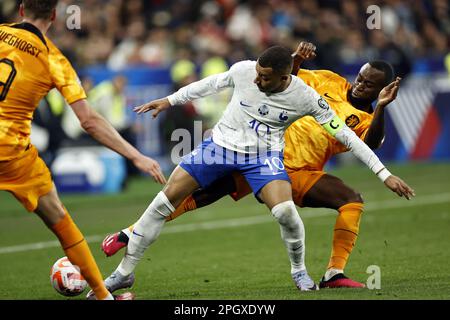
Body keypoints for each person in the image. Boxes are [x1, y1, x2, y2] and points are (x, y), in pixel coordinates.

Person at [96, 45, 414, 297]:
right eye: (258, 74)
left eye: (265, 78)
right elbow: (213, 83)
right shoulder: (258, 72)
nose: (257, 81)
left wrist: (384, 174)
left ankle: (303, 272)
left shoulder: (309, 98)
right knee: (181, 197)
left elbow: (352, 138)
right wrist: (170, 100)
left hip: (268, 159)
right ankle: (126, 260)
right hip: (221, 147)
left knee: (290, 213)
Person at [0, 0, 166, 300]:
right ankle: (103, 296)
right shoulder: (54, 60)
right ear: (53, 15)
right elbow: (88, 120)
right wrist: (136, 155)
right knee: (61, 222)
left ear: (21, 10)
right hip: (10, 151)